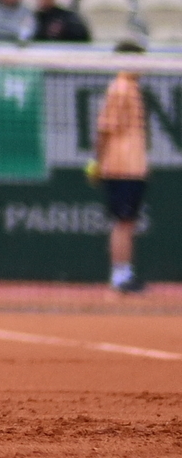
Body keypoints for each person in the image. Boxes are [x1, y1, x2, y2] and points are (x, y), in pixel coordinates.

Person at [97, 50, 151, 294]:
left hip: (134, 167)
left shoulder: (133, 88)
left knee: (128, 223)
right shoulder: (120, 88)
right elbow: (104, 129)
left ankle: (125, 273)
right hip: (121, 167)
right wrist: (99, 162)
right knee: (122, 222)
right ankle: (119, 275)